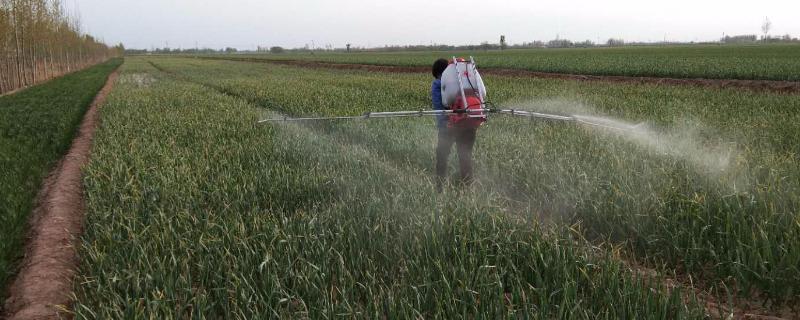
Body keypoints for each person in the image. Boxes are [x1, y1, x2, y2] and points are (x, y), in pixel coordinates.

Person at [431, 58, 477, 191]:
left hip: (449, 127)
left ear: (438, 72)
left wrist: (444, 127)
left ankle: (439, 188)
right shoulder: (465, 81)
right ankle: (467, 190)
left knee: (442, 157)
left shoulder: (438, 83)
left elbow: (439, 108)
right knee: (465, 157)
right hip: (469, 123)